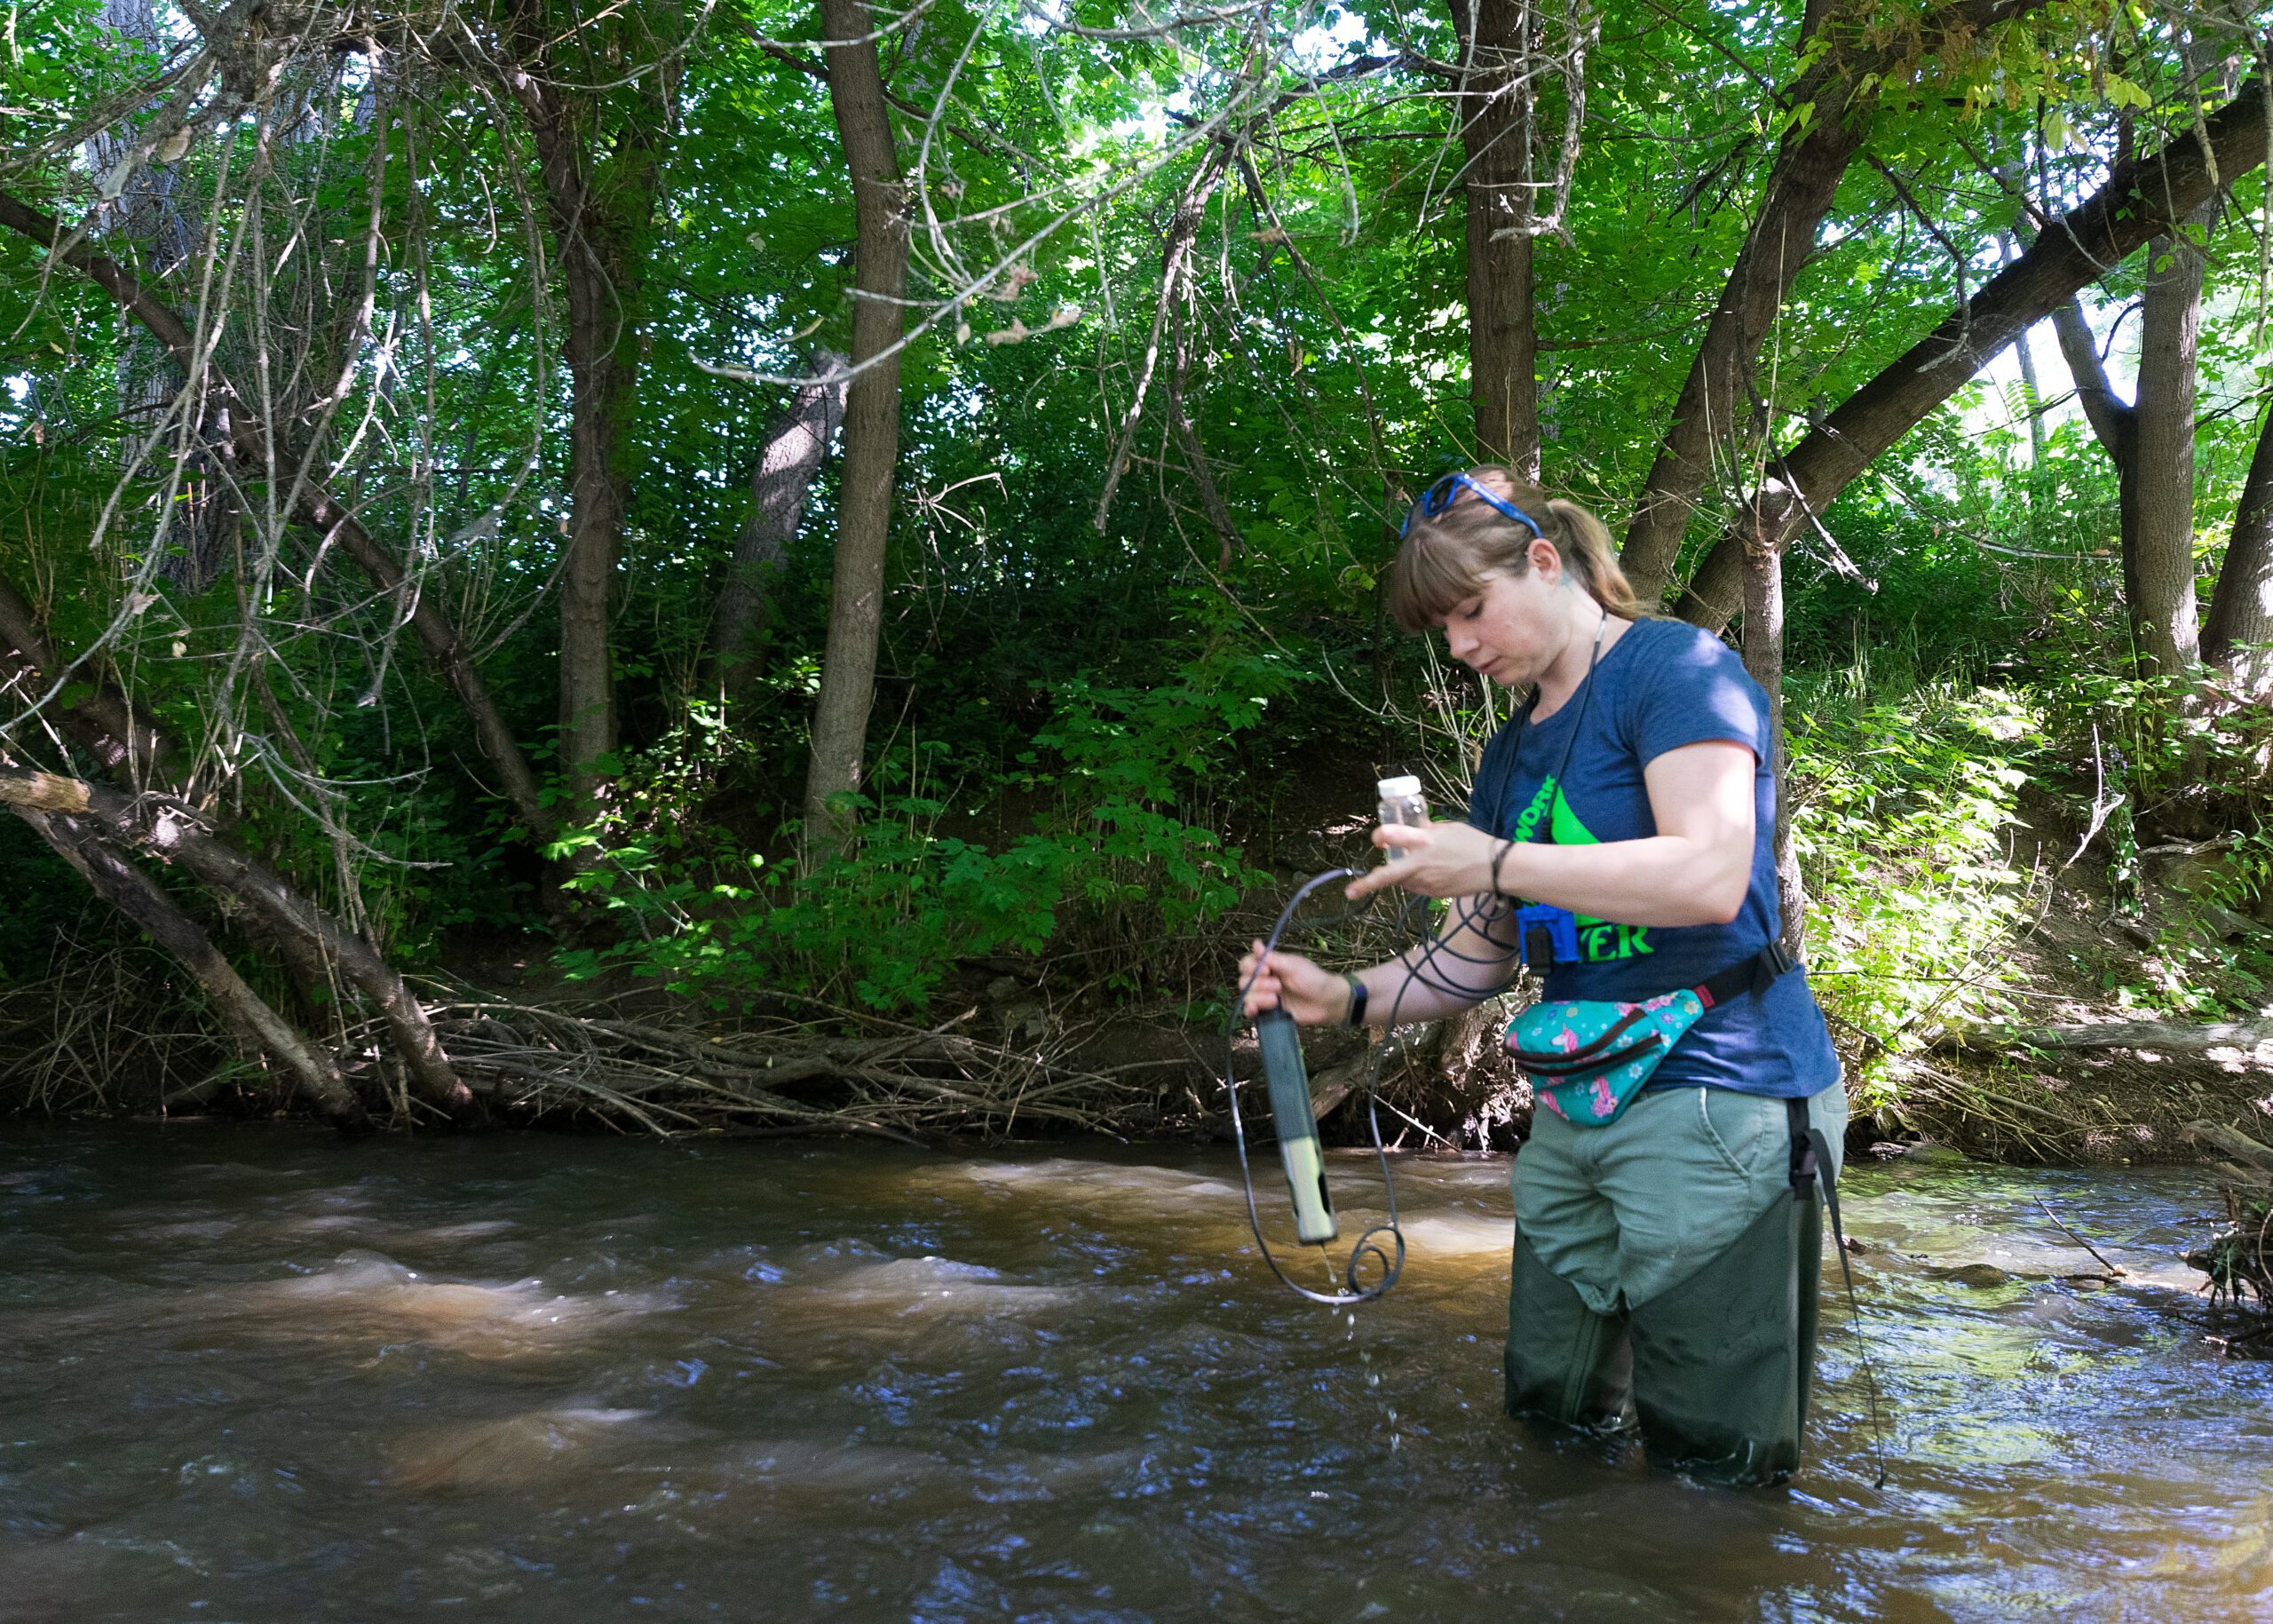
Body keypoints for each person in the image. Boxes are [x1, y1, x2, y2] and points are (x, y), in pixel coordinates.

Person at [1237, 466, 1846, 1486]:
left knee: (1714, 1460)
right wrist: (1341, 994)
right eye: (1442, 631)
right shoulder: (1507, 753)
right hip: (1577, 1107)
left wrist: (1496, 859)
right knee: (1550, 1415)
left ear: (1547, 561)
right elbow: (1476, 955)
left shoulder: (1677, 668)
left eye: (1472, 610)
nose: (1462, 645)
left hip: (1723, 1090)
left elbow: (1706, 874)